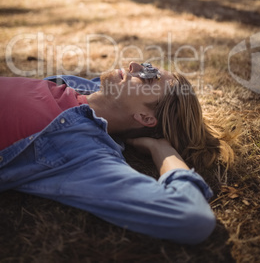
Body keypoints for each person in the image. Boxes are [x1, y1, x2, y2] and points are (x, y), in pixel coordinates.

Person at [0, 62, 236, 244]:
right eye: (147, 66)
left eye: (148, 76)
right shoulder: (84, 89)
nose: (134, 66)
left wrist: (162, 149)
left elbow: (191, 216)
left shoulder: (84, 151)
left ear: (145, 118)